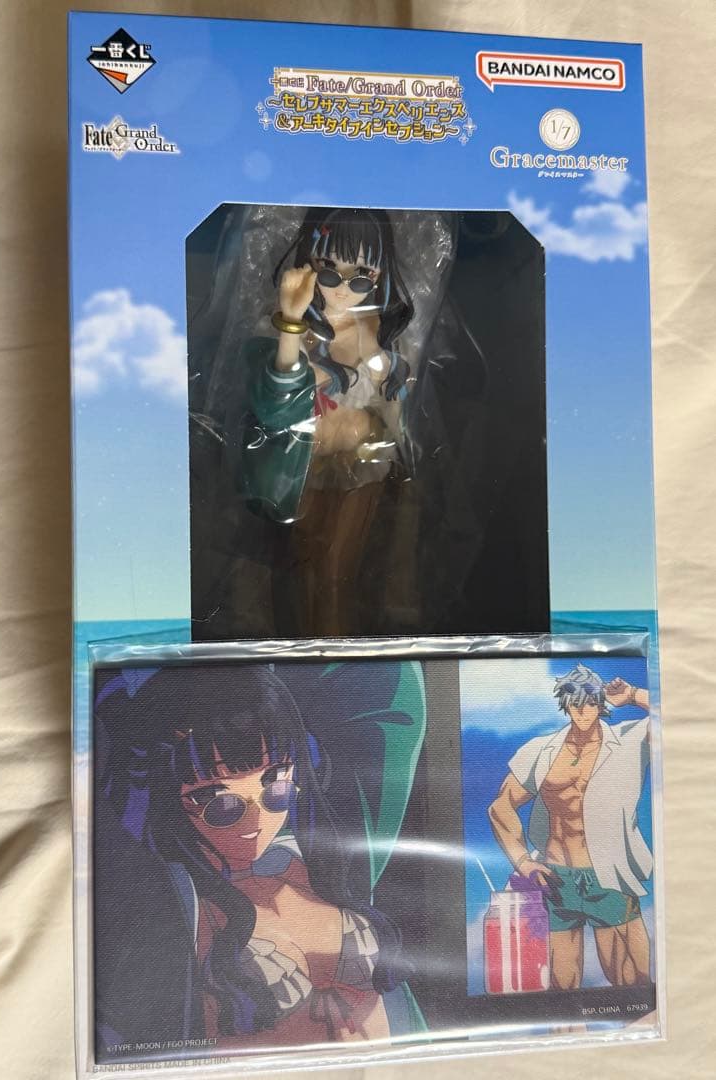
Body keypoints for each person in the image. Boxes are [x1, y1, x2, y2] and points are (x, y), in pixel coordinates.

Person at [93, 660, 426, 1058]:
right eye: (218, 801)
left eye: (276, 786)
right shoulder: (167, 907)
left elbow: (388, 681)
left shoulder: (327, 863)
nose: (256, 821)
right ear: (167, 796)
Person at [242, 207, 414, 635]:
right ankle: (309, 648)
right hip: (304, 465)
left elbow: (395, 407)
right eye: (330, 270)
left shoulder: (379, 329)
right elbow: (276, 404)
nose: (342, 287)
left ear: (380, 274)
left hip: (364, 464)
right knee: (302, 563)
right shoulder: (295, 327)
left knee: (340, 569)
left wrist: (398, 444)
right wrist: (291, 320)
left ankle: (335, 647)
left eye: (362, 276)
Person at [487, 663, 652, 990]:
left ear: (601, 703)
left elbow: (685, 719)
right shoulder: (541, 750)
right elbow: (501, 806)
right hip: (556, 877)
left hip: (608, 877)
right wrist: (523, 862)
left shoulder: (630, 740)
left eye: (590, 702)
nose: (582, 710)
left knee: (631, 983)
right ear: (565, 705)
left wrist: (633, 695)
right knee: (562, 986)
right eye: (575, 703)